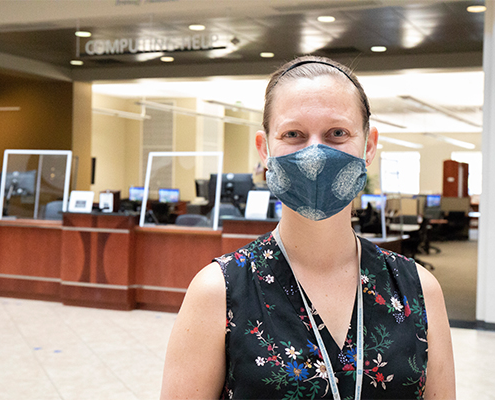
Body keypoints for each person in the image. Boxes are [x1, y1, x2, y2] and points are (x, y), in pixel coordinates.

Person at [161, 55, 455, 399]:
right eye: (294, 134)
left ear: (369, 146)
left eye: (337, 133)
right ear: (265, 149)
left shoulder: (419, 290)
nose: (315, 154)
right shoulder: (218, 292)